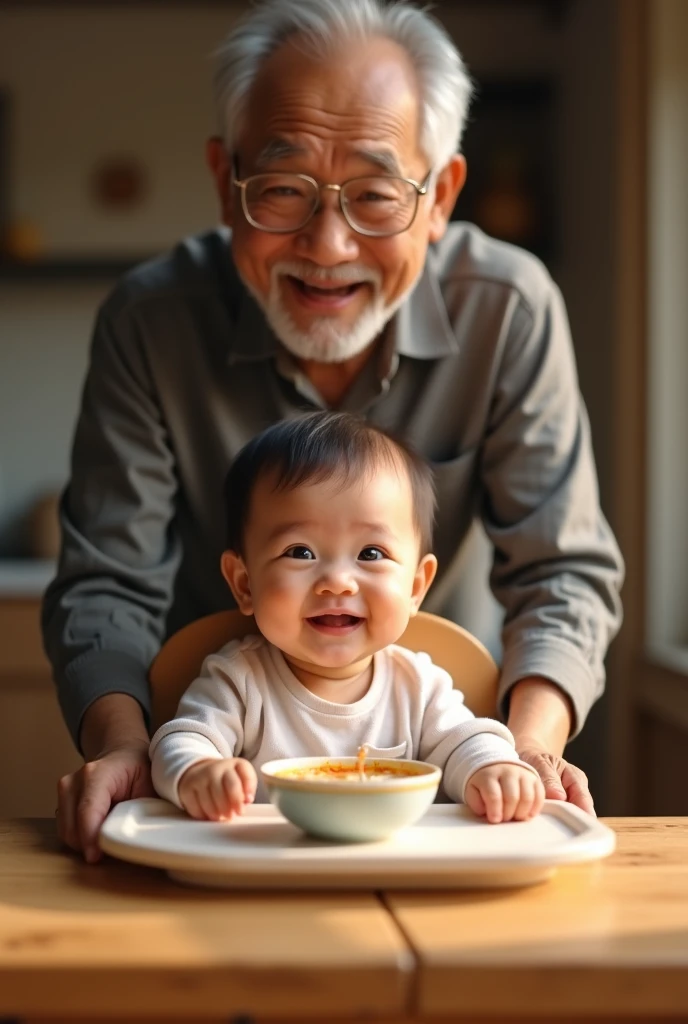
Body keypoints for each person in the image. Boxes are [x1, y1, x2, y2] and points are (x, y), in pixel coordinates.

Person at [42, 0, 624, 863]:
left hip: (431, 770)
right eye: (282, 190)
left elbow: (562, 570)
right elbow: (108, 584)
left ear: (441, 197)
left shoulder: (510, 308)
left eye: (377, 194)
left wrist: (526, 746)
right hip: (223, 790)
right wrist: (126, 746)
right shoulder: (151, 319)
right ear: (224, 180)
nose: (327, 243)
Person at [150, 411, 545, 825]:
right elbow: (182, 740)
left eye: (370, 554)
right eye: (300, 552)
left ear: (415, 587)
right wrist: (197, 772)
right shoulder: (239, 680)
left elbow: (468, 740)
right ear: (245, 584)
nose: (338, 583)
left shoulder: (417, 686)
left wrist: (494, 769)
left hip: (396, 876)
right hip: (266, 873)